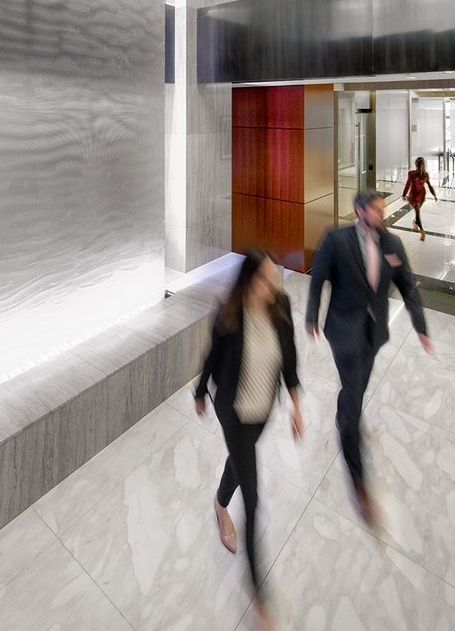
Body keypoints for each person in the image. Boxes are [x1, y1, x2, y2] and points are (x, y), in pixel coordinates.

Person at [305, 189, 433, 526]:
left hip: (374, 335)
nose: (384, 212)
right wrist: (310, 317)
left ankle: (344, 411)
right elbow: (318, 277)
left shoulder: (392, 244)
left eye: (383, 207)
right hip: (343, 332)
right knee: (353, 402)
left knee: (357, 387)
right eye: (377, 208)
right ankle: (359, 481)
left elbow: (408, 286)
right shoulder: (336, 240)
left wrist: (421, 328)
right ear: (360, 212)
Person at [194, 248, 303, 631]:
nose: (272, 287)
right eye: (264, 281)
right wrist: (198, 392)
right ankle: (259, 596)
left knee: (239, 462)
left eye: (275, 280)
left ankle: (219, 496)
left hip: (261, 413)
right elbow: (211, 359)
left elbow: (289, 357)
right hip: (234, 412)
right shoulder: (229, 313)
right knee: (254, 501)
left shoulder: (281, 306)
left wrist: (296, 404)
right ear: (248, 281)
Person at [401, 156, 440, 241]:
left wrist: (434, 195)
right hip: (415, 196)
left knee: (417, 213)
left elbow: (429, 186)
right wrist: (404, 194)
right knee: (417, 213)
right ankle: (422, 232)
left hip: (420, 196)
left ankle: (415, 223)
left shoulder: (423, 175)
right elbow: (409, 184)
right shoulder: (414, 174)